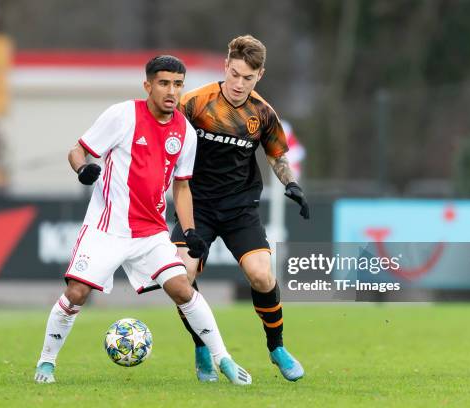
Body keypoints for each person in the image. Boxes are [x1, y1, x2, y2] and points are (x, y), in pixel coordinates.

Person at [34, 55, 251, 386]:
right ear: (148, 85)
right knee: (77, 293)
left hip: (151, 233)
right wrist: (83, 169)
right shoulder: (122, 115)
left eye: (178, 84)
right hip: (108, 228)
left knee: (183, 288)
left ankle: (224, 360)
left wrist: (189, 230)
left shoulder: (185, 132)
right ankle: (46, 364)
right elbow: (77, 151)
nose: (171, 91)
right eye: (164, 83)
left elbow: (182, 186)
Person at [171, 35, 309, 383]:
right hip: (197, 205)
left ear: (260, 75)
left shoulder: (262, 113)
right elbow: (167, 142)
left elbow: (277, 155)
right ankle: (202, 345)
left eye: (248, 77)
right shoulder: (195, 103)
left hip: (239, 207)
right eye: (234, 74)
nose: (238, 83)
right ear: (225, 67)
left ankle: (276, 348)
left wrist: (291, 184)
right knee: (181, 276)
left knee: (262, 274)